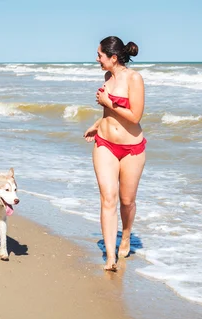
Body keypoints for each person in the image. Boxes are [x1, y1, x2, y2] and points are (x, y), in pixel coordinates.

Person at [83, 36, 146, 272]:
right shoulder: (107, 77)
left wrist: (108, 102)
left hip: (132, 148)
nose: (97, 59)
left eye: (100, 55)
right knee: (108, 199)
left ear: (113, 57)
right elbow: (111, 115)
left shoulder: (134, 78)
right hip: (105, 144)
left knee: (126, 202)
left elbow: (135, 116)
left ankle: (126, 235)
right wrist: (98, 123)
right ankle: (110, 257)